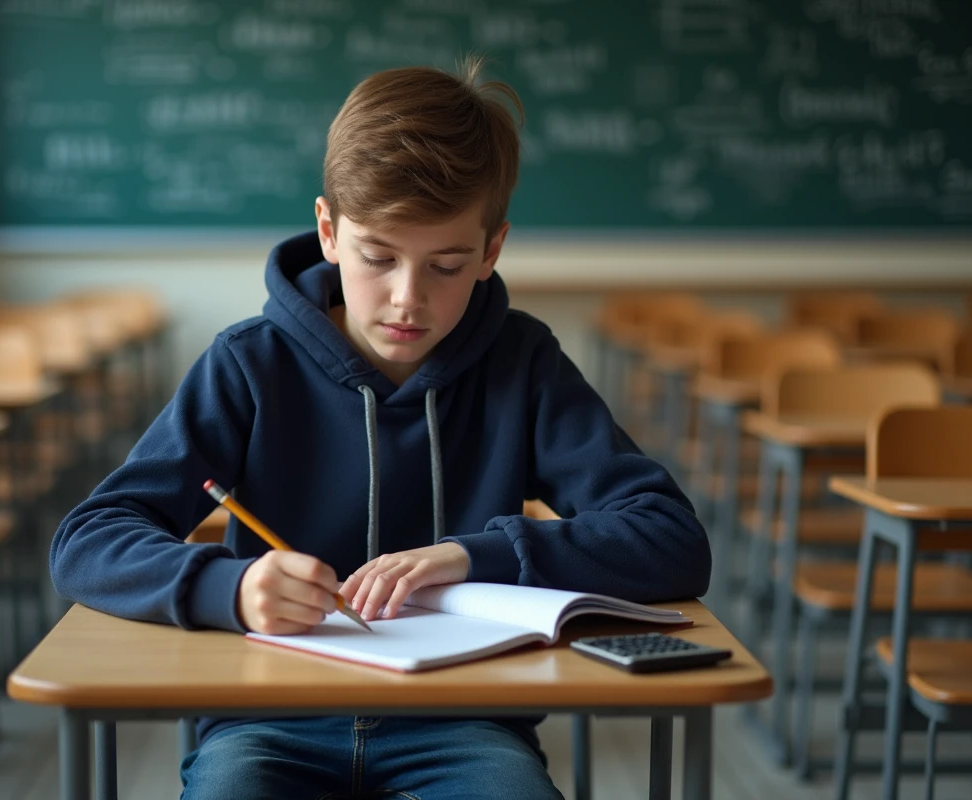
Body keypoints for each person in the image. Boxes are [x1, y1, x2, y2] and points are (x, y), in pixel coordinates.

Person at [50, 58, 710, 800]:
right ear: (328, 231)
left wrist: (475, 555)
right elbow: (87, 541)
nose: (407, 298)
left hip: (466, 721)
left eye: (446, 265)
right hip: (267, 718)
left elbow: (672, 539)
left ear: (491, 251)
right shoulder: (248, 363)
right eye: (378, 258)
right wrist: (229, 589)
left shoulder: (523, 363)